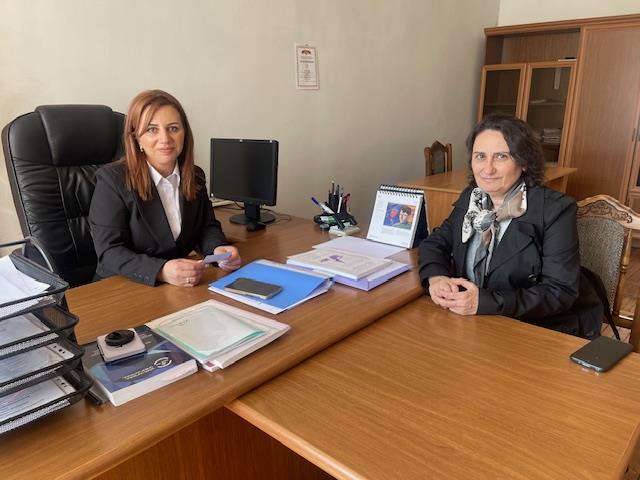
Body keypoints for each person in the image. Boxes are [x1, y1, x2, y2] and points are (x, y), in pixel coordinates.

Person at [418, 113, 602, 338]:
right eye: (480, 156)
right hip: (471, 325)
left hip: (532, 329)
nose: (487, 169)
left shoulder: (556, 210)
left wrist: (484, 302)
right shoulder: (472, 198)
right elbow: (435, 242)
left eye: (501, 156)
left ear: (524, 161)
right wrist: (436, 278)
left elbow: (559, 292)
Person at [89, 89, 241, 287]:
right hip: (123, 287)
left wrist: (218, 249)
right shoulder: (112, 181)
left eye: (173, 128)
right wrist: (161, 271)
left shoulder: (194, 176)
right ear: (136, 137)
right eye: (152, 129)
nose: (165, 139)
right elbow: (109, 252)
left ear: (184, 134)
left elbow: (206, 227)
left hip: (178, 286)